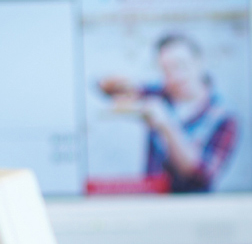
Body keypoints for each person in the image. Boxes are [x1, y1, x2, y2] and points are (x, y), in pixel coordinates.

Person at [99, 33, 237, 193]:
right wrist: (116, 83)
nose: (176, 76)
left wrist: (166, 125)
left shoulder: (225, 117)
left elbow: (201, 175)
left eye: (181, 65)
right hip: (152, 207)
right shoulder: (161, 94)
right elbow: (109, 91)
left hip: (195, 211)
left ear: (199, 62)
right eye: (167, 70)